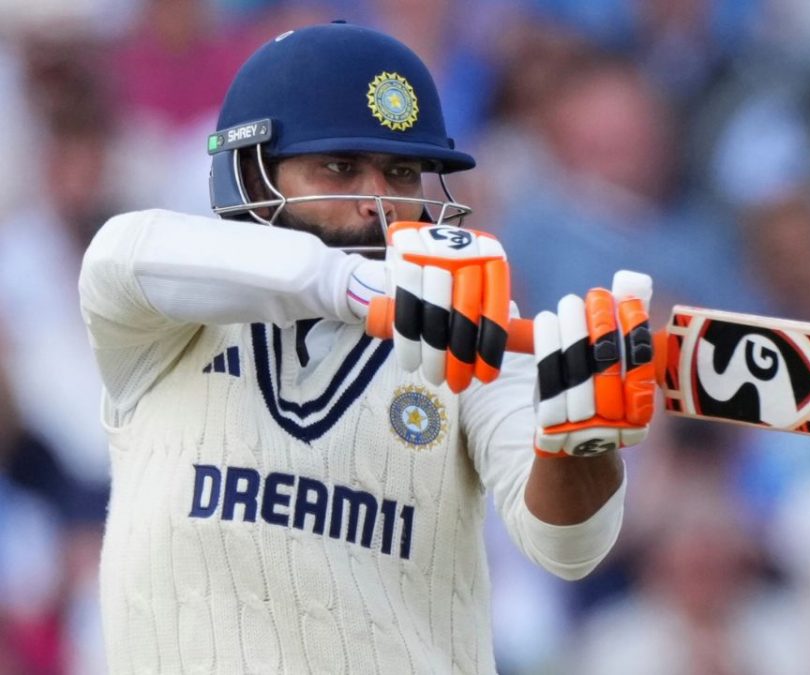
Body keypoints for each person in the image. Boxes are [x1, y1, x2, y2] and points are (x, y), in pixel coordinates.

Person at [78, 21, 654, 674]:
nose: (377, 203)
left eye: (402, 172)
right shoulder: (168, 320)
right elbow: (118, 256)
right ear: (253, 175)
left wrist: (581, 438)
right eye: (341, 166)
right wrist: (363, 287)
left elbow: (569, 547)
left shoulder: (478, 326)